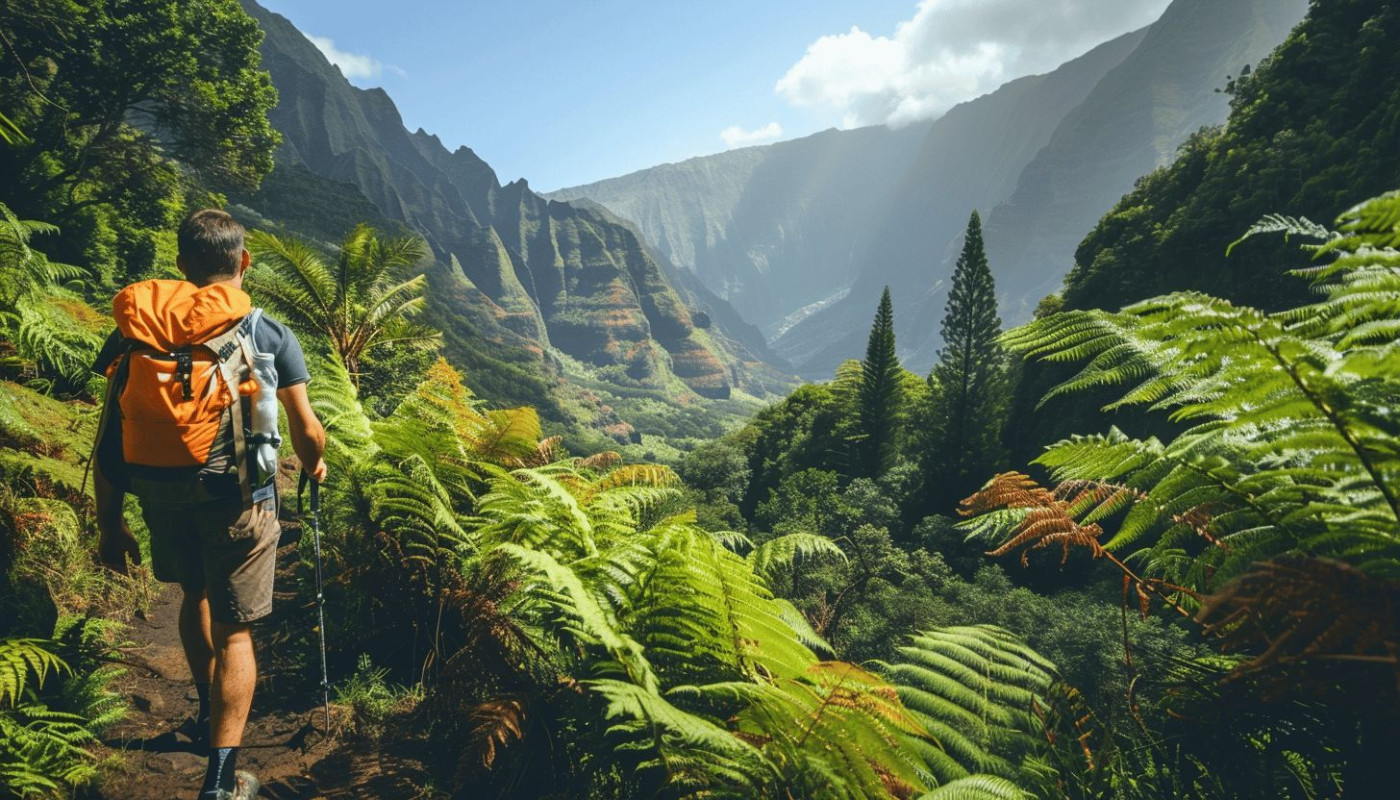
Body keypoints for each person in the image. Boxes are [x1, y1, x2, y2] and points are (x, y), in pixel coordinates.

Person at [93, 209, 327, 800]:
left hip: (158, 494)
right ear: (243, 262)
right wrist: (316, 460)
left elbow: (108, 431)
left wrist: (109, 524)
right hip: (239, 501)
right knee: (238, 634)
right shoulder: (266, 330)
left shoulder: (138, 329)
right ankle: (222, 779)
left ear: (181, 266)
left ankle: (204, 710)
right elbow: (307, 428)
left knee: (193, 595)